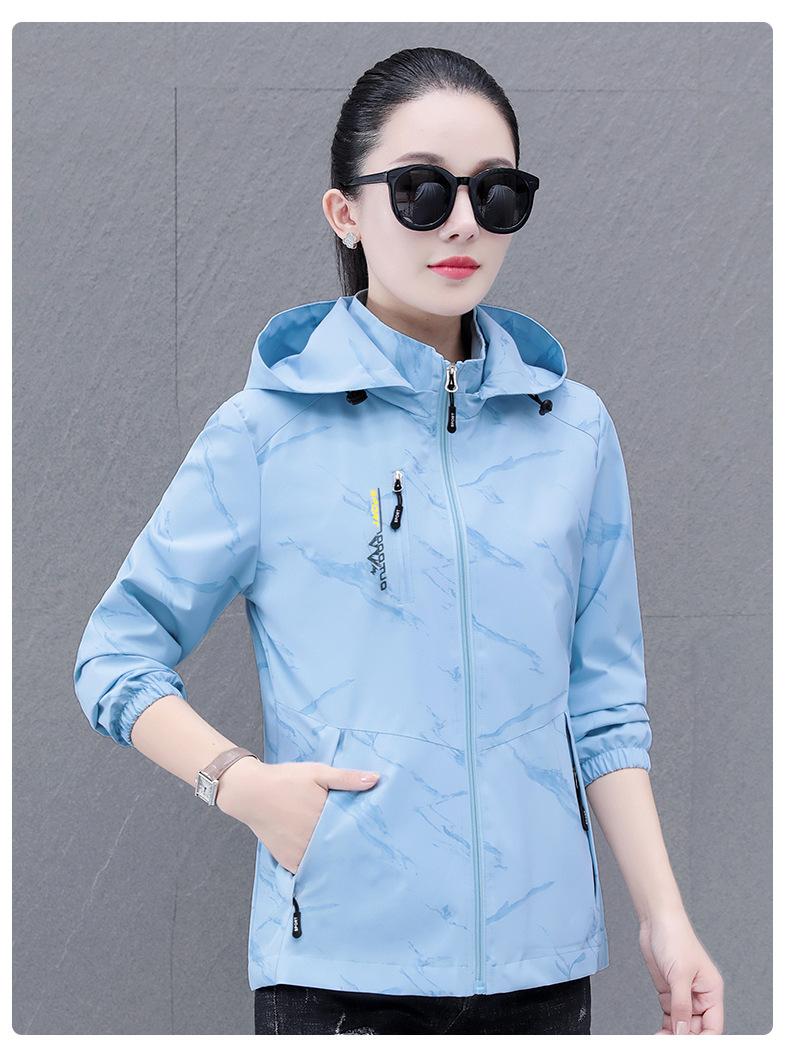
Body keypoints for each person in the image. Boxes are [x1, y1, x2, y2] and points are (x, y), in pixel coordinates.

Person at [73, 46, 724, 1036]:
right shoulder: (265, 432)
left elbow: (604, 704)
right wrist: (239, 784)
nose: (462, 222)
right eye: (422, 190)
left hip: (543, 969)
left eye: (495, 193)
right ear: (346, 212)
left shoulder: (574, 430)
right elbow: (114, 653)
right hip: (340, 967)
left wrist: (663, 919)